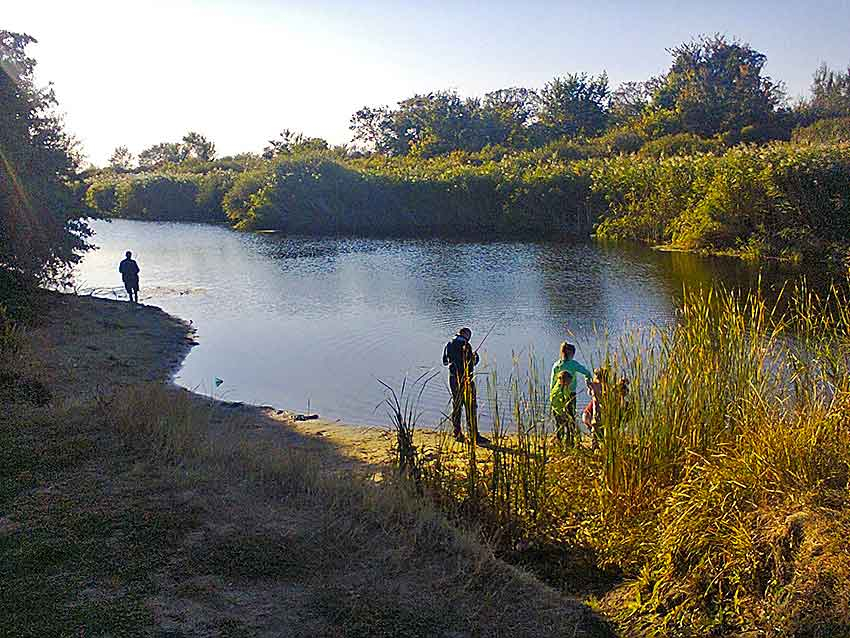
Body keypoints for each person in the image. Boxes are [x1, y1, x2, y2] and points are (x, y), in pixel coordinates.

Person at [442, 327, 488, 445]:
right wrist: (475, 357)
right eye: (469, 336)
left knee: (456, 406)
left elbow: (445, 362)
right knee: (470, 406)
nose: (469, 338)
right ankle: (474, 435)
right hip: (466, 379)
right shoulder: (466, 345)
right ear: (466, 335)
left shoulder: (448, 344)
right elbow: (470, 364)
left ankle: (457, 433)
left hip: (453, 379)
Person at [550, 342, 592, 442]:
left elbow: (552, 383)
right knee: (571, 417)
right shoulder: (573, 364)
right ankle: (570, 440)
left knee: (559, 420)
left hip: (557, 394)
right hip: (571, 395)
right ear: (570, 353)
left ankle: (559, 439)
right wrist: (588, 381)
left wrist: (552, 395)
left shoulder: (556, 365)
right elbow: (587, 372)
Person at [550, 369, 575, 443]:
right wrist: (561, 413)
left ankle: (568, 441)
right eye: (568, 382)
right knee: (560, 427)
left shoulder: (565, 387)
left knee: (569, 425)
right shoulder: (557, 391)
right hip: (558, 411)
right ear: (562, 380)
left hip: (564, 410)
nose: (570, 383)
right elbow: (555, 403)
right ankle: (559, 441)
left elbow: (567, 396)